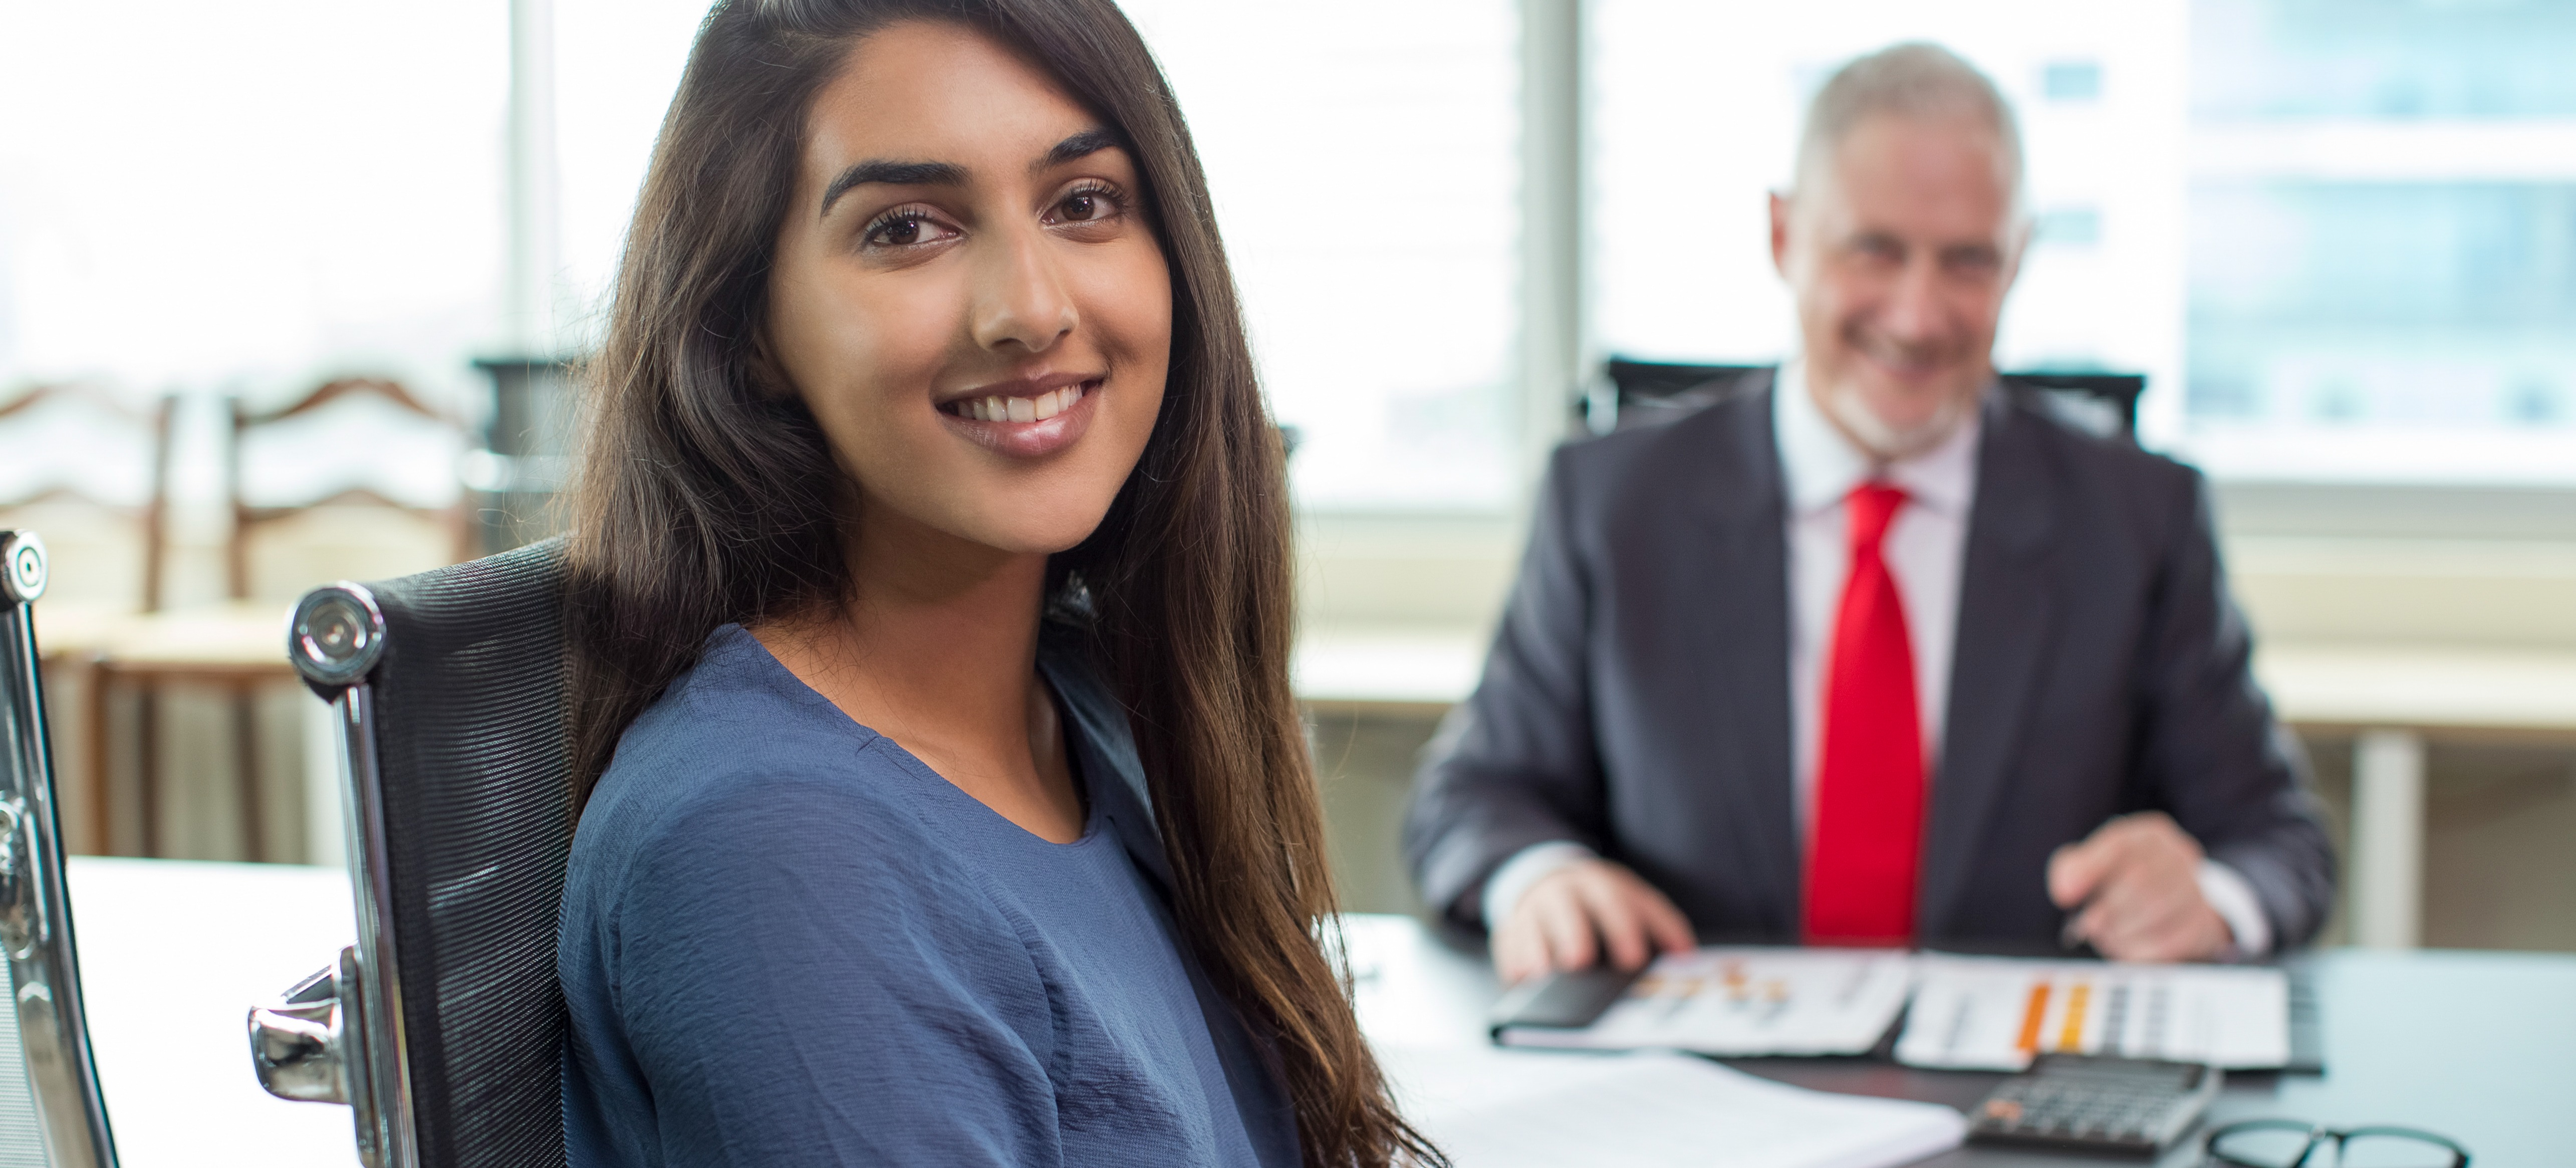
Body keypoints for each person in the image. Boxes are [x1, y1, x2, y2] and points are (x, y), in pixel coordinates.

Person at [554, 3, 1436, 1165]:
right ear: (749, 330)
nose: (1029, 307)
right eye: (908, 226)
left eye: (1084, 203)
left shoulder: (1088, 700)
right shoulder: (781, 855)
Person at [1405, 42, 2335, 984]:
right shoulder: (1611, 503)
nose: (1918, 315)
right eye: (1875, 250)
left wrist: (2210, 900)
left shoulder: (2139, 516)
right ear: (1782, 236)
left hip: (2020, 1095)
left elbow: (2278, 841)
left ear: (2018, 259)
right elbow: (1471, 798)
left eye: (1967, 261)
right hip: (1698, 1084)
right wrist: (1538, 878)